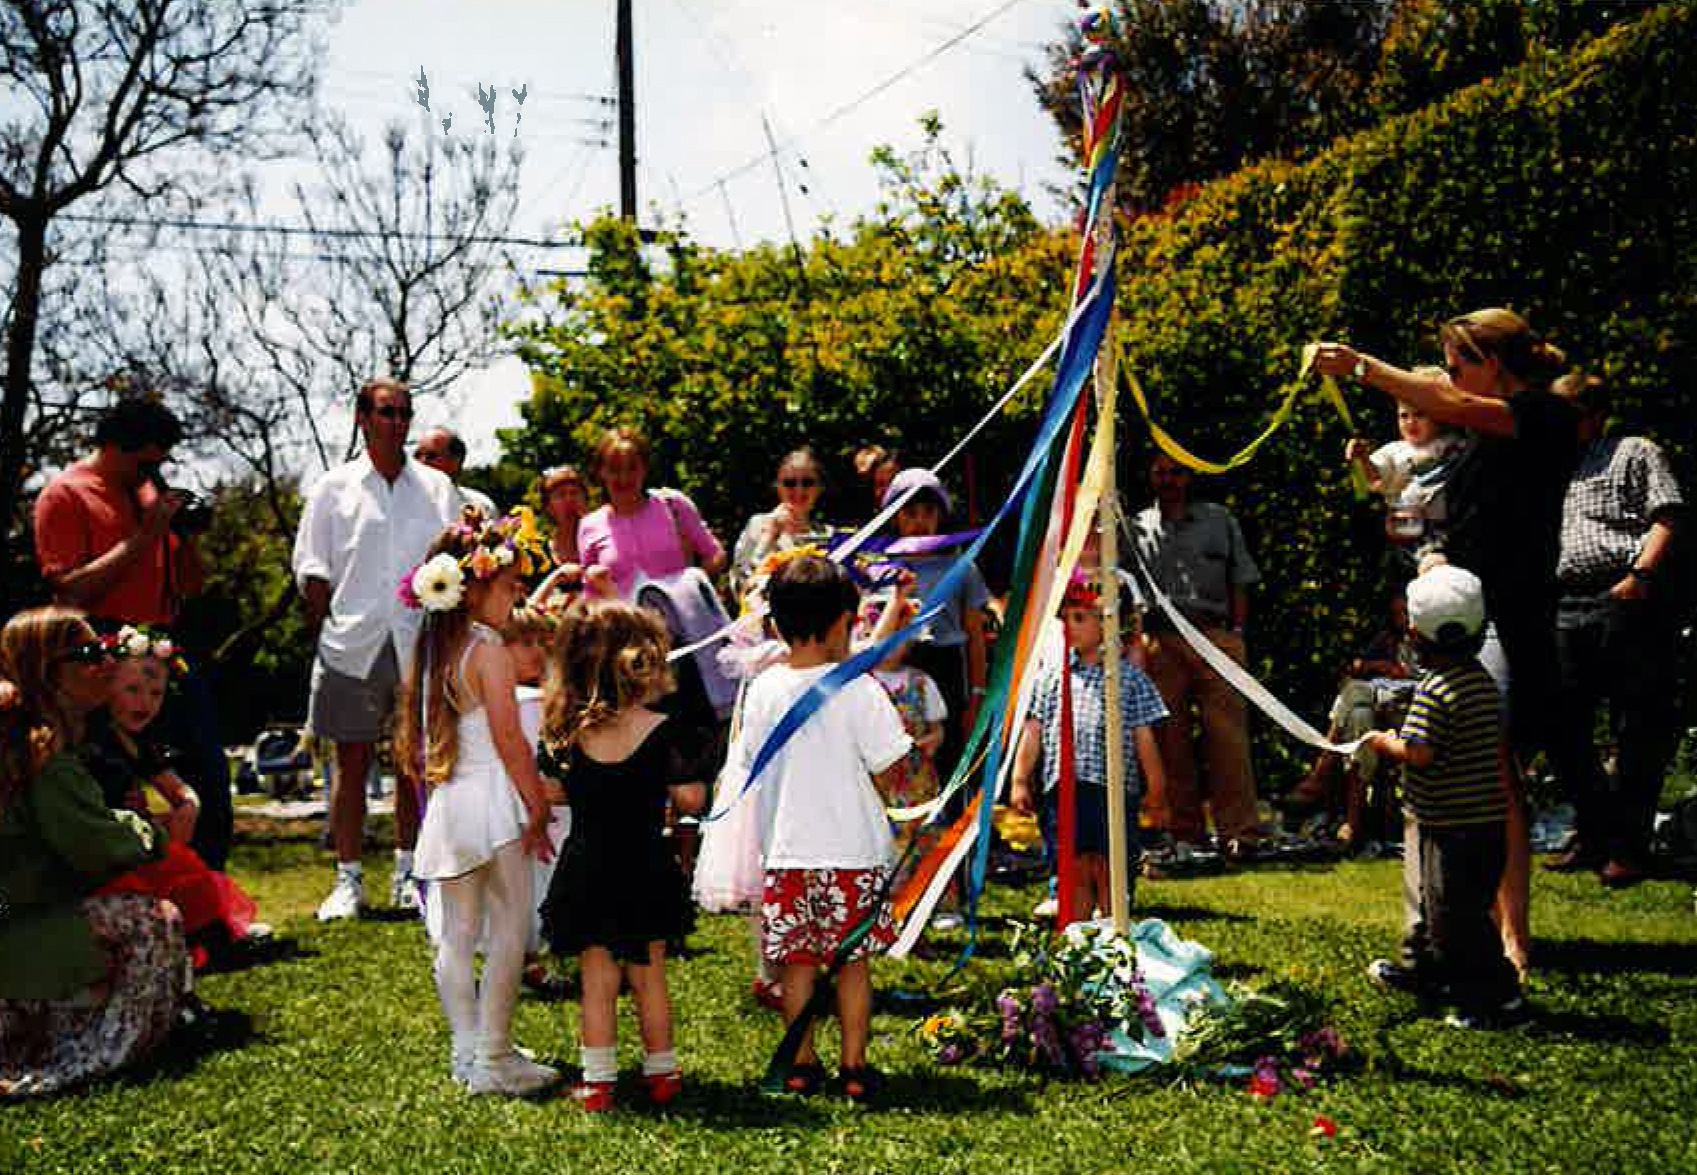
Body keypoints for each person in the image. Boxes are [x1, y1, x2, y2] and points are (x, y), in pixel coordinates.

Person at [1313, 308, 1579, 975]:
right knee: (1447, 770)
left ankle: (1508, 934)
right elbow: (1434, 493)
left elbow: (1445, 397)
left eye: (1457, 359)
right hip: (1459, 617)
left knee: (1492, 773)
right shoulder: (1477, 439)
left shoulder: (1539, 415)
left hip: (1505, 622)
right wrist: (1433, 554)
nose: (1449, 373)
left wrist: (1362, 368)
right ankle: (1448, 931)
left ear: (1491, 362)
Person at [732, 554, 912, 1102]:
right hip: (852, 852)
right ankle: (854, 1066)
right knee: (852, 963)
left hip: (787, 851)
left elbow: (746, 763)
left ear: (779, 624)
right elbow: (891, 767)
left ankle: (801, 1063)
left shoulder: (762, 690)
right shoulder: (860, 690)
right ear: (841, 622)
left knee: (797, 964)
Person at [395, 510, 559, 1096]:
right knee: (513, 925)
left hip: (451, 798)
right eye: (511, 587)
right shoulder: (488, 650)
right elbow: (512, 742)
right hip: (492, 798)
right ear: (477, 585)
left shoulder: (436, 649)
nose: (516, 599)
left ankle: (469, 1048)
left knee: (459, 933)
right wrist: (536, 802)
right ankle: (491, 1056)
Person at [32, 396, 232, 873]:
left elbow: (191, 586)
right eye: (146, 462)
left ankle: (209, 895)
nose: (152, 473)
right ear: (116, 447)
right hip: (98, 649)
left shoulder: (148, 494)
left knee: (204, 767)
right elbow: (70, 591)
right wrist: (144, 537)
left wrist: (185, 538)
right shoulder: (65, 494)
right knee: (114, 780)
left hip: (162, 646)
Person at [0, 606, 194, 1098]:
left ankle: (65, 1031)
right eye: (88, 654)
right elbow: (99, 846)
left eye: (106, 650)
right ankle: (85, 1054)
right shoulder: (40, 753)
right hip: (14, 932)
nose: (107, 664)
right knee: (152, 919)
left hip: (25, 919)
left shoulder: (42, 742)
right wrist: (153, 830)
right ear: (49, 672)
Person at [292, 378, 460, 921]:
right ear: (363, 418)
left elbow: (454, 563)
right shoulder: (332, 488)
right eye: (387, 412)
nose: (398, 423)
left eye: (405, 413)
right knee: (350, 762)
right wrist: (323, 634)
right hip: (351, 645)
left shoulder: (437, 488)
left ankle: (409, 872)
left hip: (420, 641)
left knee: (416, 765)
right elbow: (312, 571)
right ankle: (348, 880)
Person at [536, 601, 707, 1112]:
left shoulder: (565, 732)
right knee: (649, 974)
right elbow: (691, 799)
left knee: (597, 979)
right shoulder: (662, 728)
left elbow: (550, 792)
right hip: (646, 863)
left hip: (588, 863)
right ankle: (662, 1072)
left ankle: (599, 1081)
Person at [1360, 567, 1527, 1029]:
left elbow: (1420, 753)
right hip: (1484, 823)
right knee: (1443, 907)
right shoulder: (1481, 682)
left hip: (1451, 827)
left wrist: (1383, 741)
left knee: (1457, 916)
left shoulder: (1434, 690)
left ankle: (1497, 998)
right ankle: (1429, 974)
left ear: (1413, 633)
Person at [1543, 372, 1687, 887]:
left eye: (1568, 413)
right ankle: (1595, 830)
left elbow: (1667, 513)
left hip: (1625, 593)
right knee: (1561, 725)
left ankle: (1626, 848)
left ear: (1593, 413)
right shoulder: (1553, 464)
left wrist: (1641, 575)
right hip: (1567, 600)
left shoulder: (1634, 450)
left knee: (1638, 725)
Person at [82, 638, 266, 969]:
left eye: (156, 694)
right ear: (106, 687)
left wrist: (185, 809)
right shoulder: (90, 740)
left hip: (134, 841)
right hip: (100, 848)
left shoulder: (143, 744)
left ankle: (207, 938)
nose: (145, 703)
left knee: (185, 870)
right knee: (170, 875)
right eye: (133, 690)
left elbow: (180, 792)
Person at [1011, 575, 1169, 924]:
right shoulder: (1051, 678)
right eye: (1066, 618)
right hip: (1062, 791)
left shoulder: (1129, 679)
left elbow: (1145, 738)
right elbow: (1033, 730)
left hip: (1112, 791)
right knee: (1073, 866)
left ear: (1110, 625)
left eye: (1080, 618)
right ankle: (1077, 941)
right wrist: (1020, 779)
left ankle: (1115, 939)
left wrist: (1156, 791)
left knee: (1111, 865)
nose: (1070, 626)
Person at [1131, 452, 1264, 857]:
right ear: (1150, 477)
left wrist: (1235, 634)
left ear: (1189, 477)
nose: (1169, 479)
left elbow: (1241, 579)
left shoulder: (1218, 520)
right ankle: (1184, 832)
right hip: (1161, 642)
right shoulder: (1135, 527)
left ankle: (1239, 834)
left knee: (1228, 740)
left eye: (1176, 472)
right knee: (1169, 741)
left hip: (1216, 638)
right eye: (1160, 472)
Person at [1280, 592, 1421, 847]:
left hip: (1410, 711)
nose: (1404, 619)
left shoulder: (1427, 643)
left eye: (1407, 612)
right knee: (1359, 715)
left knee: (1355, 695)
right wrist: (1380, 665)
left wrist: (1403, 676)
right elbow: (1356, 666)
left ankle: (1322, 772)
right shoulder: (1389, 640)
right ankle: (1352, 823)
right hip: (1381, 707)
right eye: (1398, 614)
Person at [881, 467, 989, 788]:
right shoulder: (883, 568)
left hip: (947, 668)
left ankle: (959, 826)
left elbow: (975, 638)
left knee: (950, 749)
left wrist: (977, 695)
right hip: (899, 668)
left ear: (941, 515)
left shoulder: (962, 567)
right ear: (894, 517)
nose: (920, 521)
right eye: (910, 512)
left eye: (929, 511)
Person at [1346, 389, 1468, 553]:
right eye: (1404, 416)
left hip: (1452, 524)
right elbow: (1375, 477)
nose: (1410, 422)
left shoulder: (1453, 441)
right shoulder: (1394, 451)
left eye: (1419, 415)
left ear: (1437, 416)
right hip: (1412, 528)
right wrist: (1362, 459)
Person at [730, 447, 836, 600]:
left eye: (807, 482)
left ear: (819, 488)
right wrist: (769, 537)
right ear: (777, 486)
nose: (799, 490)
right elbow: (742, 582)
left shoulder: (828, 535)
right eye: (789, 483)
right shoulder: (758, 525)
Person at [414, 426, 497, 518]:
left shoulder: (481, 505)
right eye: (417, 456)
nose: (421, 462)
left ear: (456, 461)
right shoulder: (401, 502)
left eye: (431, 456)